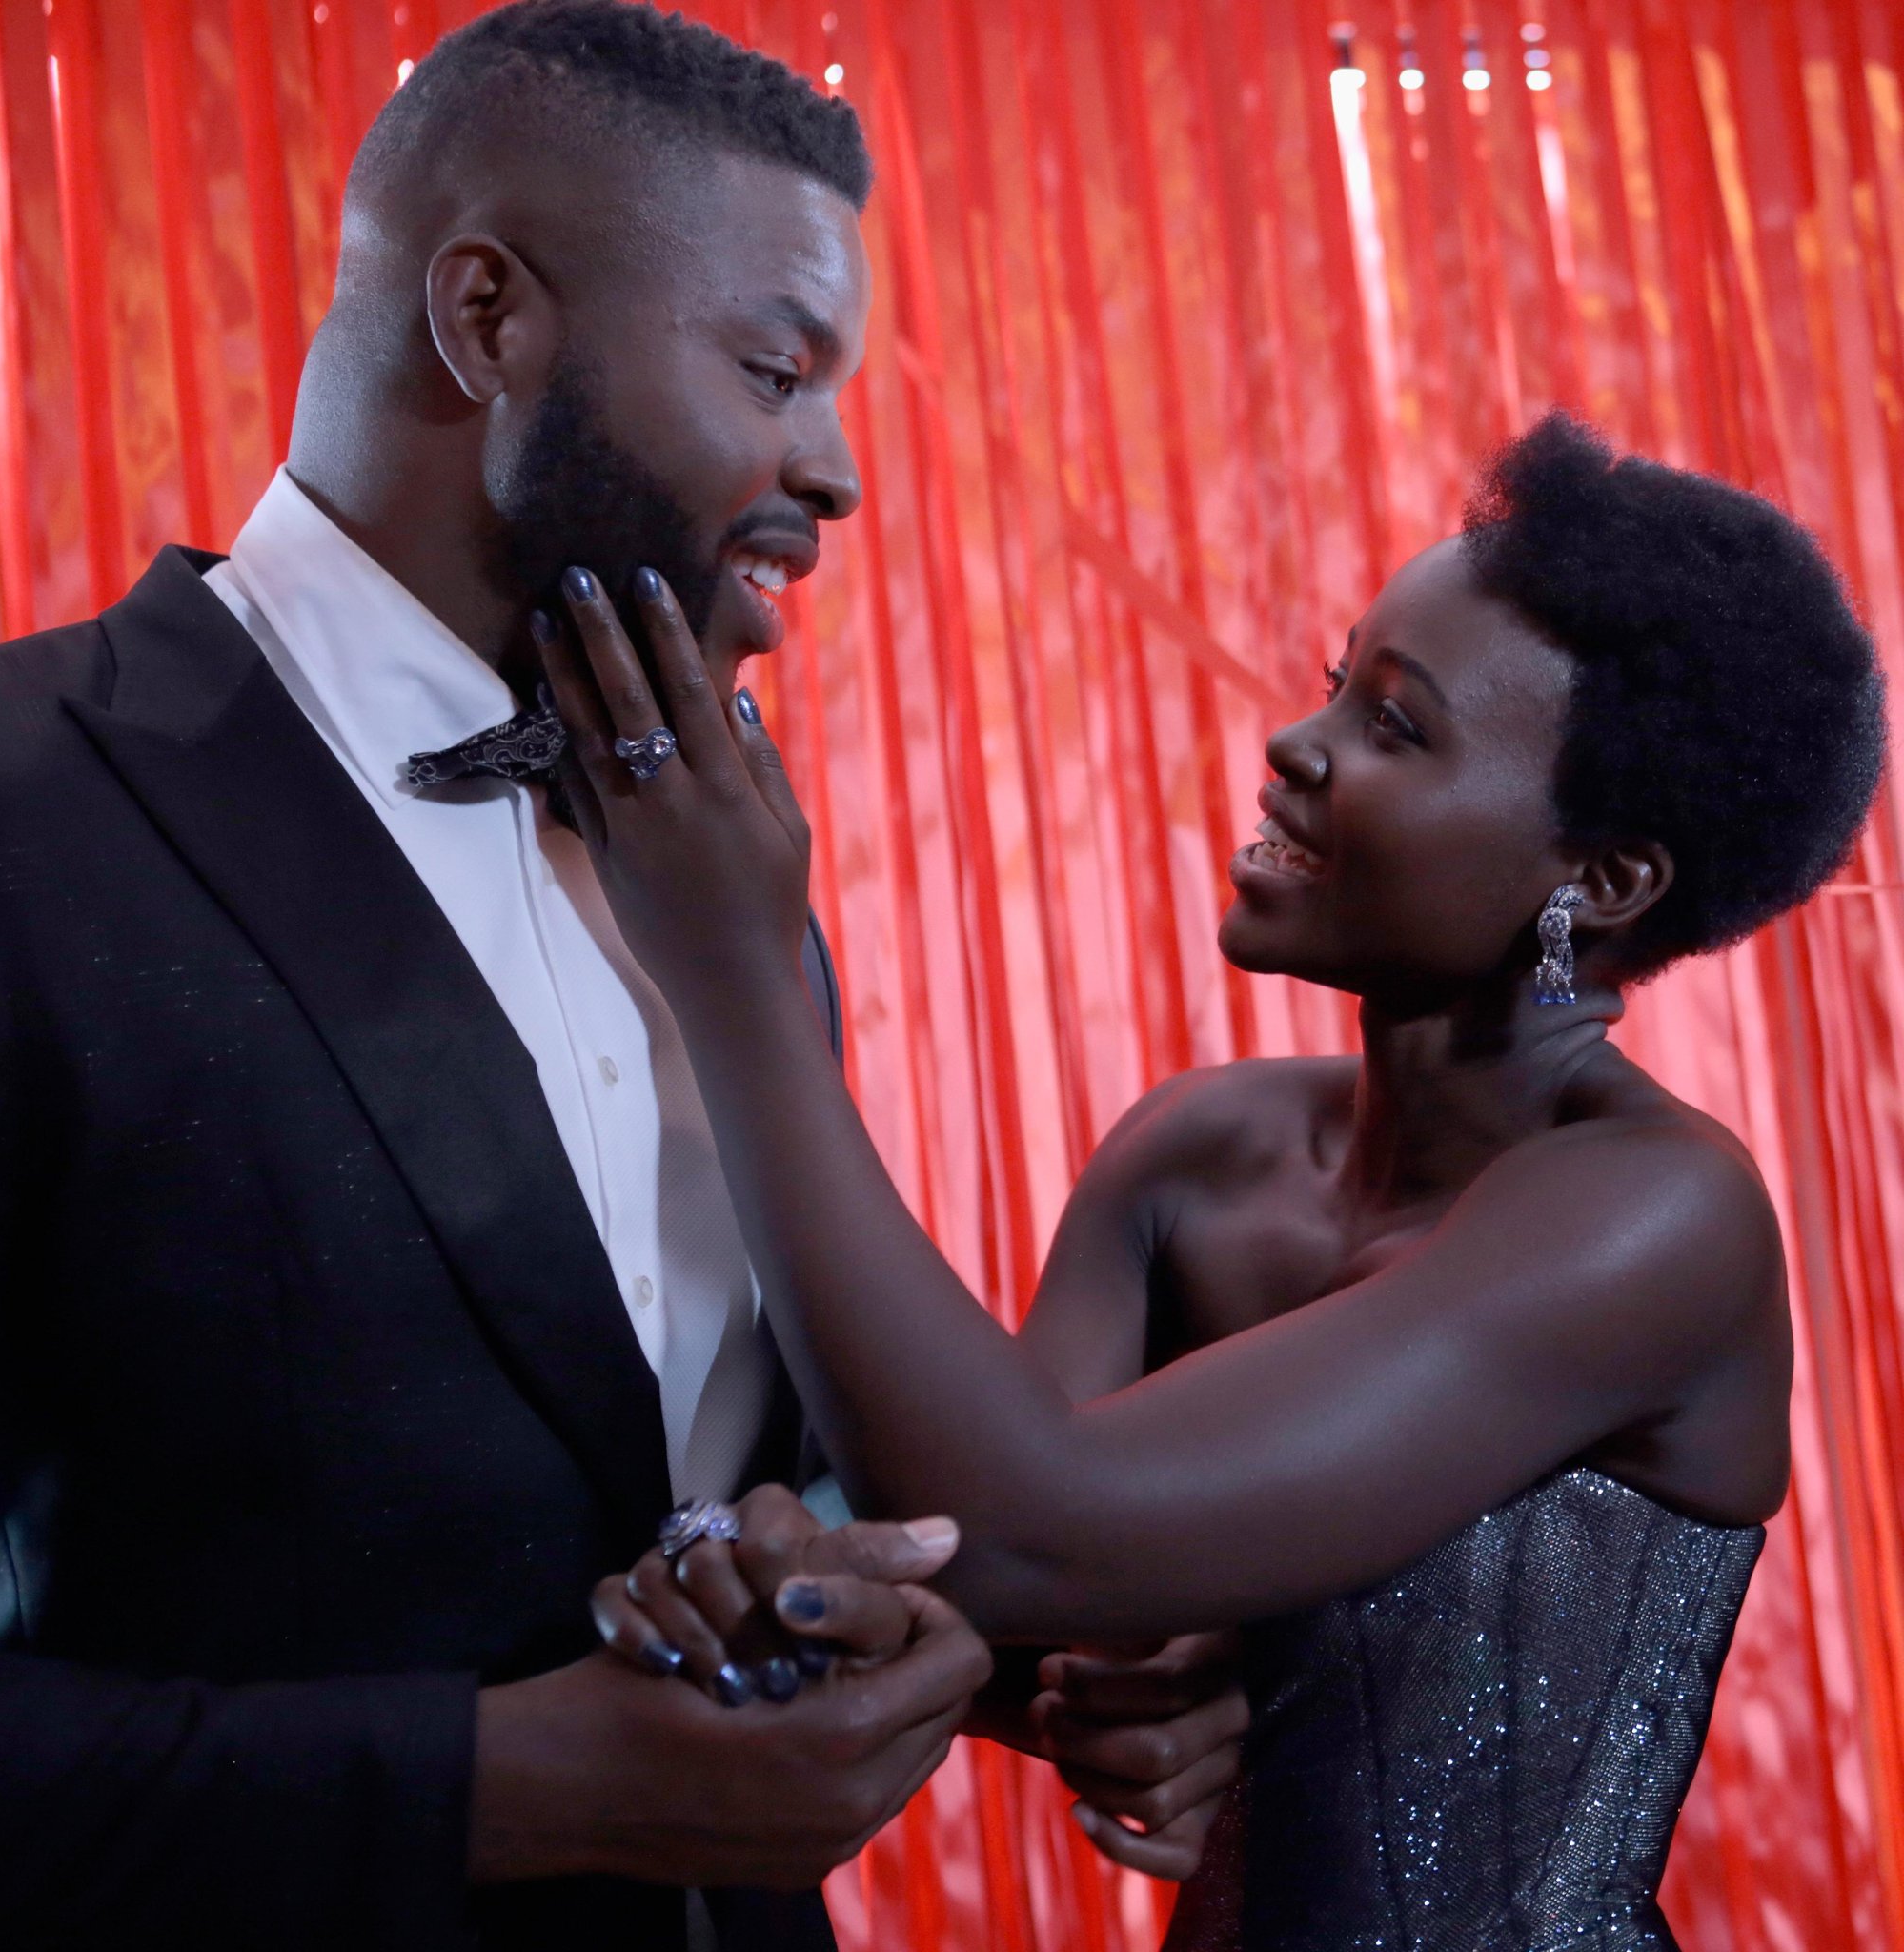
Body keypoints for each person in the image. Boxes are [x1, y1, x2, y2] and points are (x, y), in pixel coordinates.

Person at [0, 6, 1243, 1948]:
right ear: (488, 319)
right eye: (775, 370)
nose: (836, 469)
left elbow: (714, 1471)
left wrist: (987, 1661)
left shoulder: (715, 873)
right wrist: (507, 1790)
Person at [533, 410, 1886, 1948]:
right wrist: (1063, 1682)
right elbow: (972, 1572)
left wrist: (737, 973)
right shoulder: (1197, 1157)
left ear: (1603, 878)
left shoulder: (1659, 1220)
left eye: (1397, 727)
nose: (1295, 746)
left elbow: (1022, 1525)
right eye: (1336, 684)